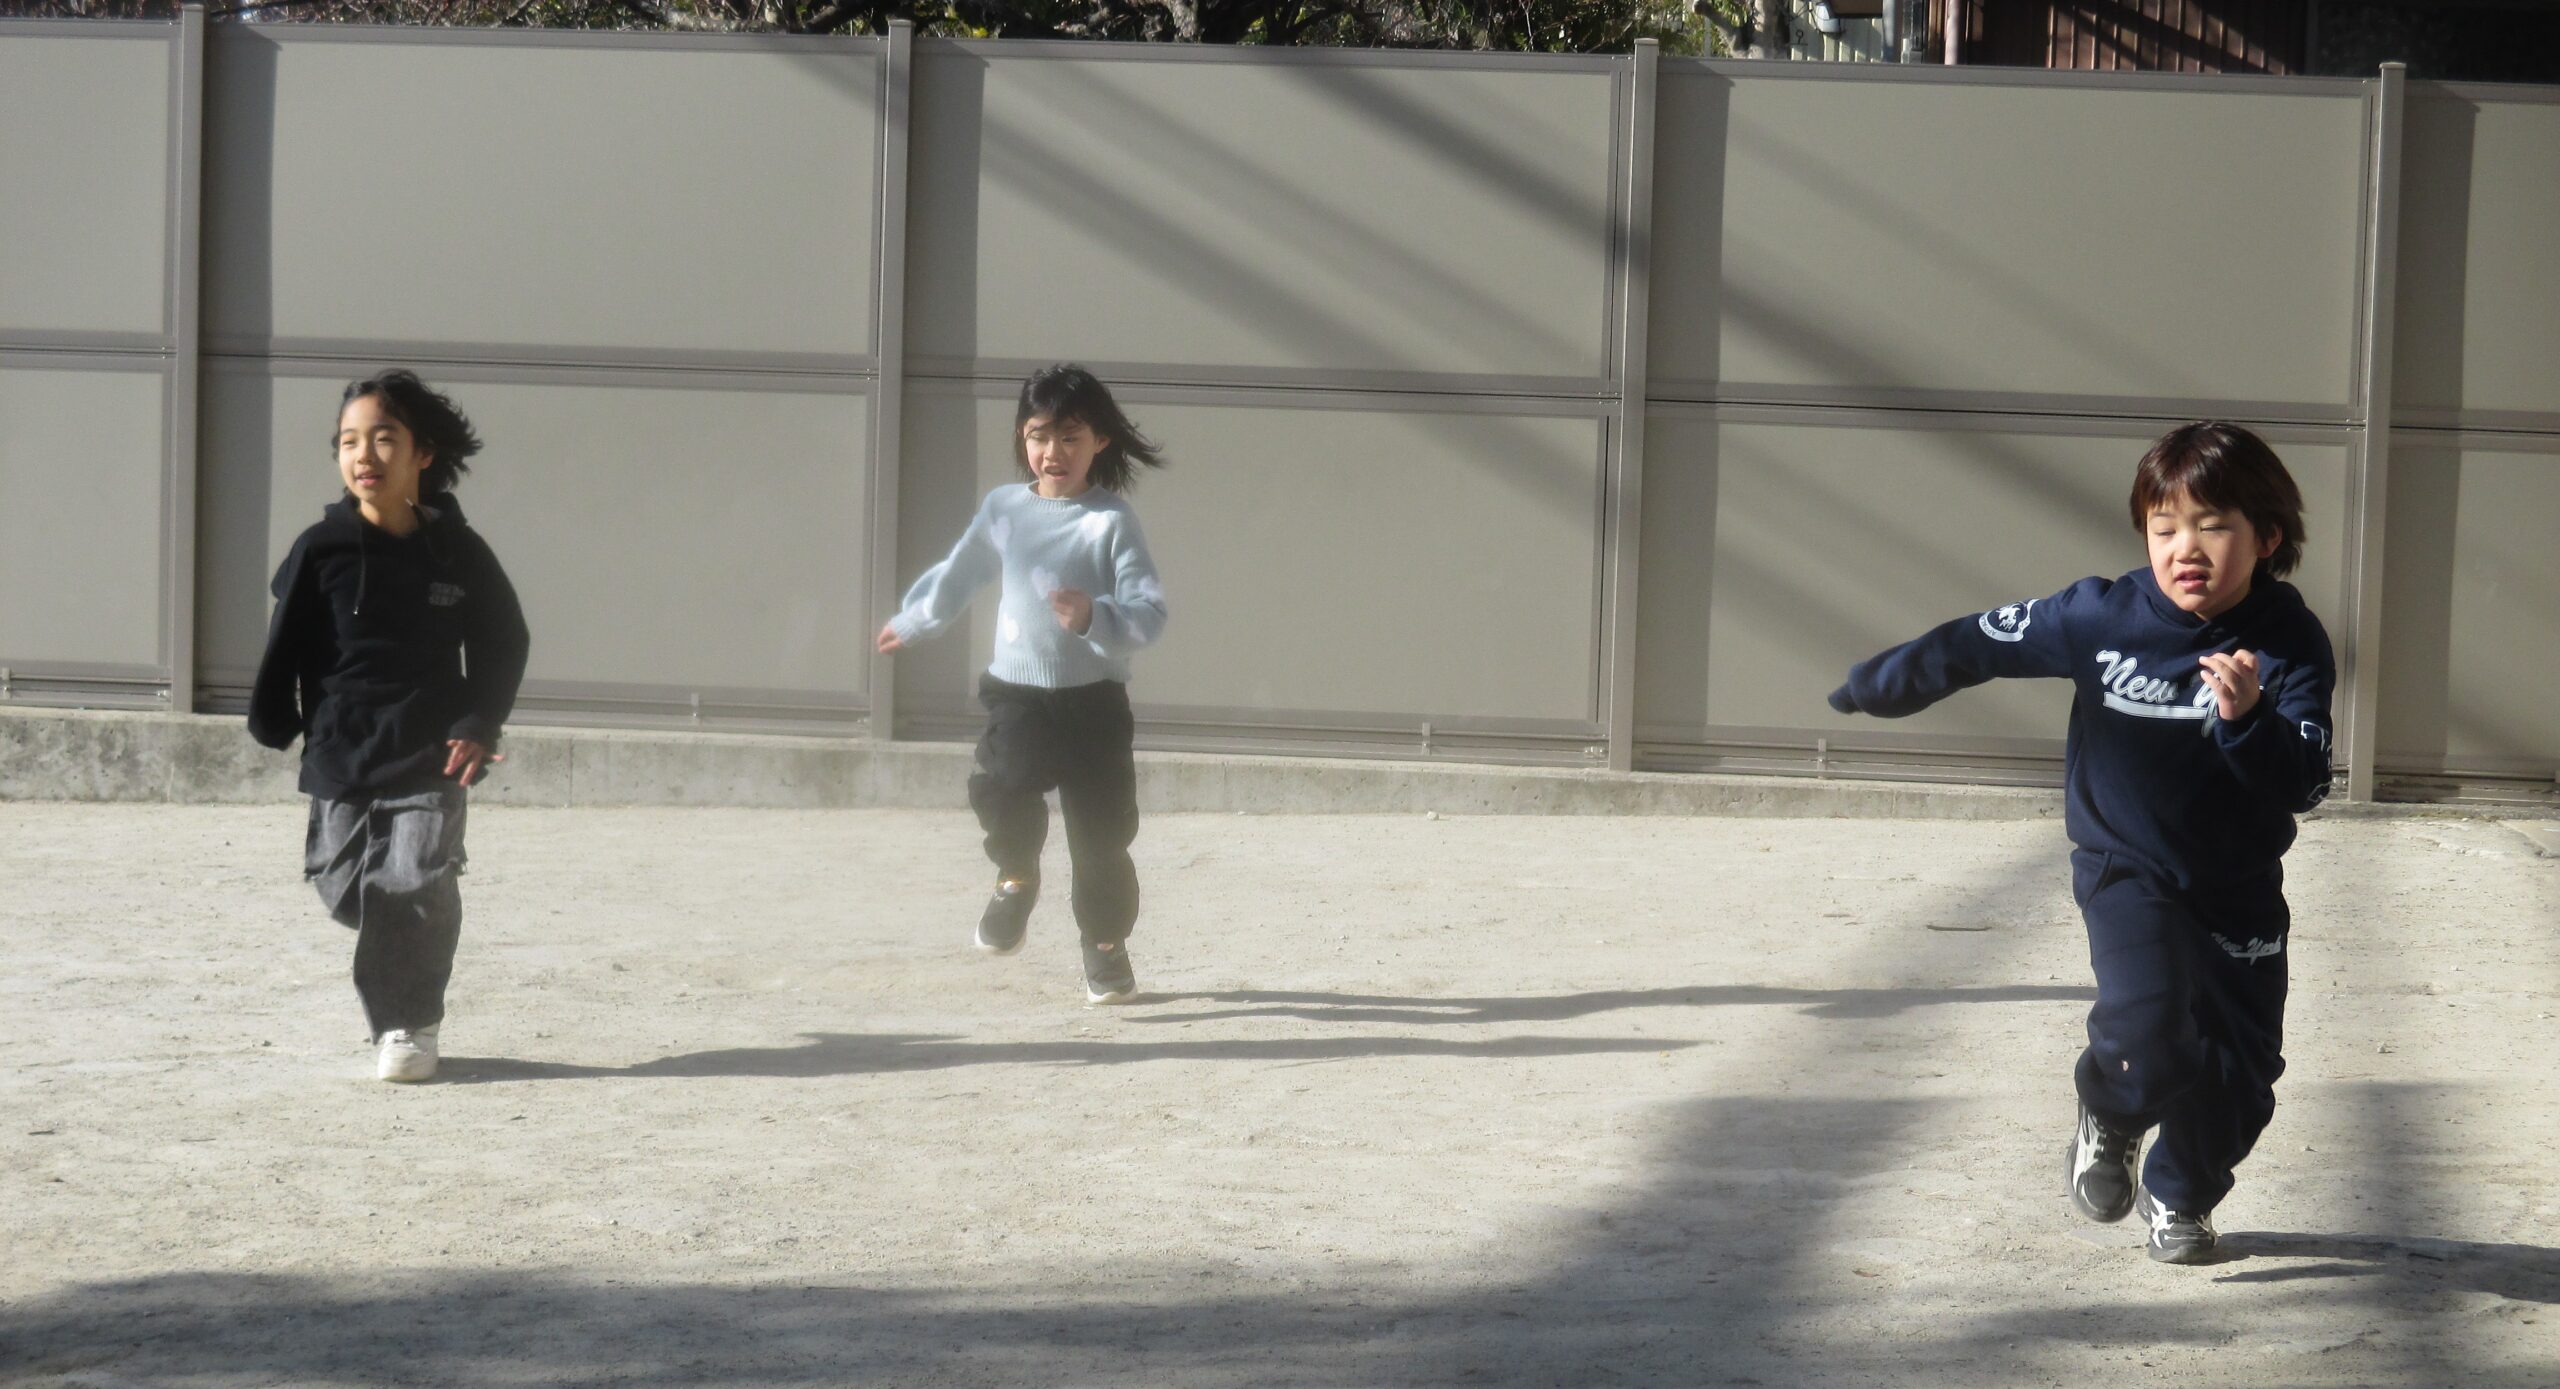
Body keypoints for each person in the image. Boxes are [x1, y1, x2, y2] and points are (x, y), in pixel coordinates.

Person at [1826, 422, 2333, 1264]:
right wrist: (1876, 684)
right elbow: (1977, 642)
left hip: (2238, 885)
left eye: (2213, 526)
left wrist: (2249, 717)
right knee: (2148, 1027)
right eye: (2164, 528)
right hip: (2125, 866)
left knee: (2242, 1077)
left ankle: (2180, 1193)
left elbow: (2307, 782)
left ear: (2268, 538)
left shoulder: (2287, 641)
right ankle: (2111, 1109)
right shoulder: (2100, 615)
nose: (2185, 548)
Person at [249, 369, 530, 1083]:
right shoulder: (321, 548)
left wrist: (480, 721)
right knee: (343, 885)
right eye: (349, 441)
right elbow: (287, 637)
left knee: (409, 880)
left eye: (382, 438)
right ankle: (418, 916)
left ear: (422, 453)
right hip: (343, 748)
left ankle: (410, 1023)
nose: (363, 454)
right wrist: (276, 716)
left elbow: (504, 638)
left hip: (432, 749)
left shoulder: (458, 551)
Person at [877, 365, 1168, 1004]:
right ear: (1021, 438)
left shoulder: (1111, 521)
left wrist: (1094, 617)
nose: (1053, 451)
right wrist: (917, 619)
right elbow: (961, 571)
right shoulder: (1005, 510)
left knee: (1101, 838)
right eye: (1040, 436)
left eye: (1070, 437)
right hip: (1018, 695)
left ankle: (1105, 948)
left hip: (1093, 703)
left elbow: (1148, 613)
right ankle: (1016, 877)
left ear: (1100, 442)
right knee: (1002, 787)